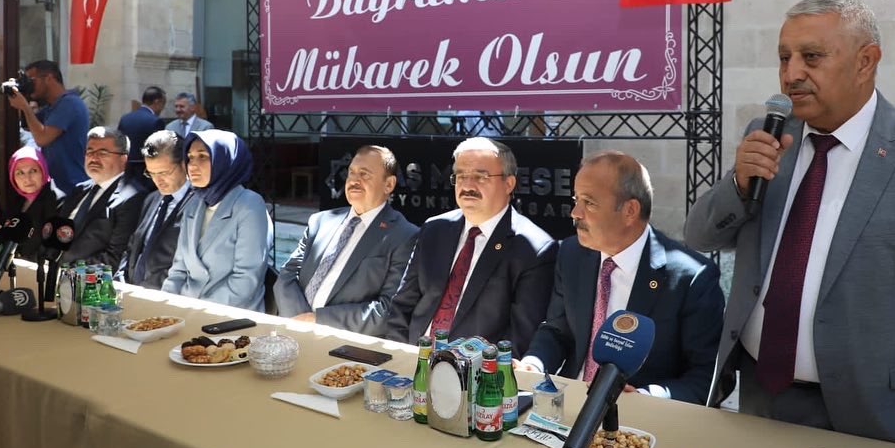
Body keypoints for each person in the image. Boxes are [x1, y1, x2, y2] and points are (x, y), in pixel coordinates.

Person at [683, 0, 895, 448]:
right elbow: (700, 235)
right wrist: (740, 183)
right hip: (762, 397)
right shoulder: (769, 137)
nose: (791, 74)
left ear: (866, 61)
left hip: (876, 419)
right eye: (784, 57)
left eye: (811, 56)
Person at [519, 151, 724, 403]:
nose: (575, 213)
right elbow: (557, 330)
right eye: (576, 200)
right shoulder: (572, 253)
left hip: (640, 424)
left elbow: (709, 378)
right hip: (568, 402)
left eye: (589, 203)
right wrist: (534, 363)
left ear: (630, 210)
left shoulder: (691, 279)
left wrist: (646, 397)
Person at [385, 138, 557, 356]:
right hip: (413, 360)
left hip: (474, 376)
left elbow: (519, 340)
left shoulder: (534, 250)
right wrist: (402, 357)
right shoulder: (434, 229)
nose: (467, 186)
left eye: (480, 176)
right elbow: (401, 307)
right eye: (461, 176)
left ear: (509, 184)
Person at [274, 145, 419, 336]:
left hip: (344, 345)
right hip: (292, 331)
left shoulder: (404, 235)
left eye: (364, 174)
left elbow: (387, 311)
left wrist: (317, 321)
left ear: (389, 185)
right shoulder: (321, 221)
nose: (354, 181)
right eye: (351, 173)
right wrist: (299, 321)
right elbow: (286, 276)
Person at [162, 130, 270, 310]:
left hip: (230, 317)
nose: (192, 166)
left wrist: (195, 310)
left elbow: (245, 281)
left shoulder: (249, 205)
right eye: (189, 157)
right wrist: (165, 305)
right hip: (186, 309)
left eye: (203, 156)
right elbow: (178, 269)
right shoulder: (194, 203)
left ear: (225, 161)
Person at [57, 127, 147, 268]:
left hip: (86, 281)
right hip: (50, 272)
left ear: (123, 159)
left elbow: (114, 257)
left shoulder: (131, 197)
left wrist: (68, 272)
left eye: (102, 153)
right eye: (90, 151)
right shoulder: (79, 190)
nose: (93, 158)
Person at [118, 130, 193, 289]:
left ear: (184, 164)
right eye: (151, 173)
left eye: (164, 172)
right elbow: (132, 247)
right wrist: (120, 282)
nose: (158, 180)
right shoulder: (152, 199)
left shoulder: (198, 204)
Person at [6, 60, 89, 194]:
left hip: (72, 187)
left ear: (49, 78)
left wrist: (25, 107)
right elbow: (28, 126)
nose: (29, 85)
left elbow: (42, 138)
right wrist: (21, 95)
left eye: (31, 81)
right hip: (56, 187)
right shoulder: (53, 107)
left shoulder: (69, 103)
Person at [4, 146, 62, 262]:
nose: (27, 178)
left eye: (33, 171)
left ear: (43, 170)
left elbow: (55, 245)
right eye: (20, 173)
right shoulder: (18, 201)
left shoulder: (54, 197)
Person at [118, 86, 167, 184]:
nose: (162, 108)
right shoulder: (156, 121)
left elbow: (119, 145)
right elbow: (159, 151)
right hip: (146, 175)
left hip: (126, 172)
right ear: (157, 102)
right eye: (163, 104)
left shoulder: (125, 119)